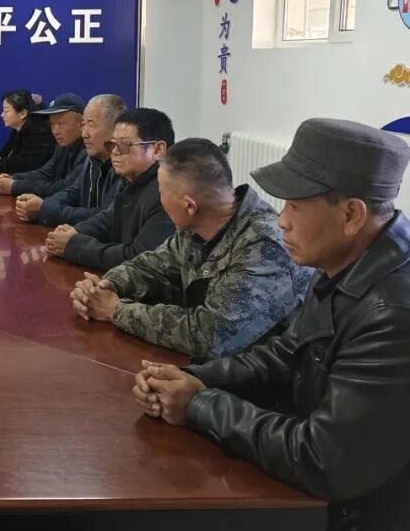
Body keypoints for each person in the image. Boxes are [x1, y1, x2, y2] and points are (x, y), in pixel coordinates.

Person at [132, 119, 410, 531]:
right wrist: (195, 378)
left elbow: (324, 459)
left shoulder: (392, 312)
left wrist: (200, 406)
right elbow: (284, 354)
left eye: (294, 206)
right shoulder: (342, 261)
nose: (281, 221)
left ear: (351, 214)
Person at [70, 138, 311, 359]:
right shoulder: (196, 228)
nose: (159, 199)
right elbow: (150, 266)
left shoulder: (264, 246)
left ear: (189, 206)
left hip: (265, 382)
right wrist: (106, 287)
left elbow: (210, 335)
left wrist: (115, 310)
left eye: (161, 192)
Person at [46, 107, 176, 271]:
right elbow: (108, 220)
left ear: (157, 149)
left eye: (124, 145)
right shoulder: (129, 180)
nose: (114, 152)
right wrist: (74, 231)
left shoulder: (169, 193)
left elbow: (140, 258)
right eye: (112, 144)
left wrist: (74, 246)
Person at [21, 94, 126, 226]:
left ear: (115, 128)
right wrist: (44, 206)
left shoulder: (125, 167)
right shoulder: (92, 159)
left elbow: (104, 217)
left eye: (91, 125)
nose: (84, 134)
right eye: (84, 125)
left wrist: (44, 209)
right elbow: (72, 192)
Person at [0, 93, 86, 198]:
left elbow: (65, 187)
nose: (55, 131)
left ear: (81, 124)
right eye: (52, 124)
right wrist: (13, 178)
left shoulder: (89, 151)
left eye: (60, 124)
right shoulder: (63, 145)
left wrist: (14, 186)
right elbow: (45, 173)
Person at [0, 90, 56, 174]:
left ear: (23, 113)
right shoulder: (17, 129)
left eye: (6, 111)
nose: (2, 115)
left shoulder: (39, 133)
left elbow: (25, 165)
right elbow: (6, 153)